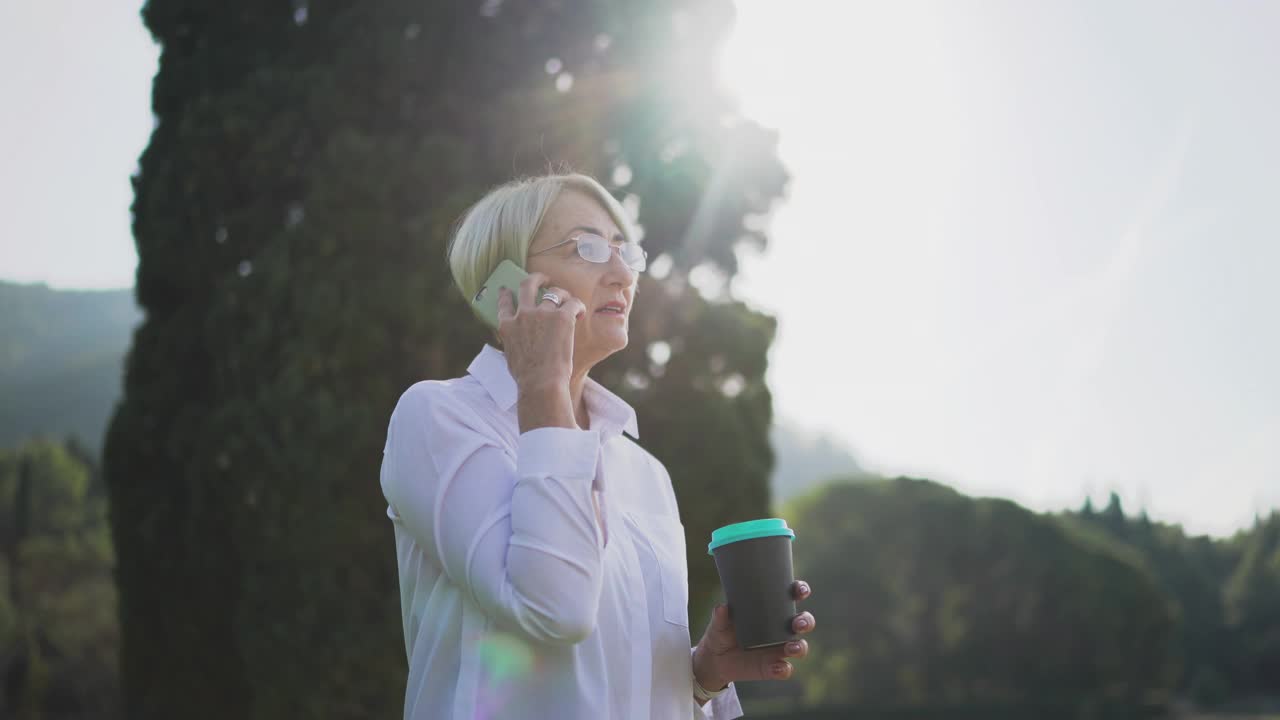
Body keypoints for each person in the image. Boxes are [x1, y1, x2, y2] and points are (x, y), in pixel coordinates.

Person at [379, 173, 817, 719]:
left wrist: (702, 676)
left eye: (625, 252)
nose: (620, 274)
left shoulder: (644, 471)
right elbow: (555, 609)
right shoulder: (437, 418)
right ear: (508, 284)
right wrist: (542, 385)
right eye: (586, 247)